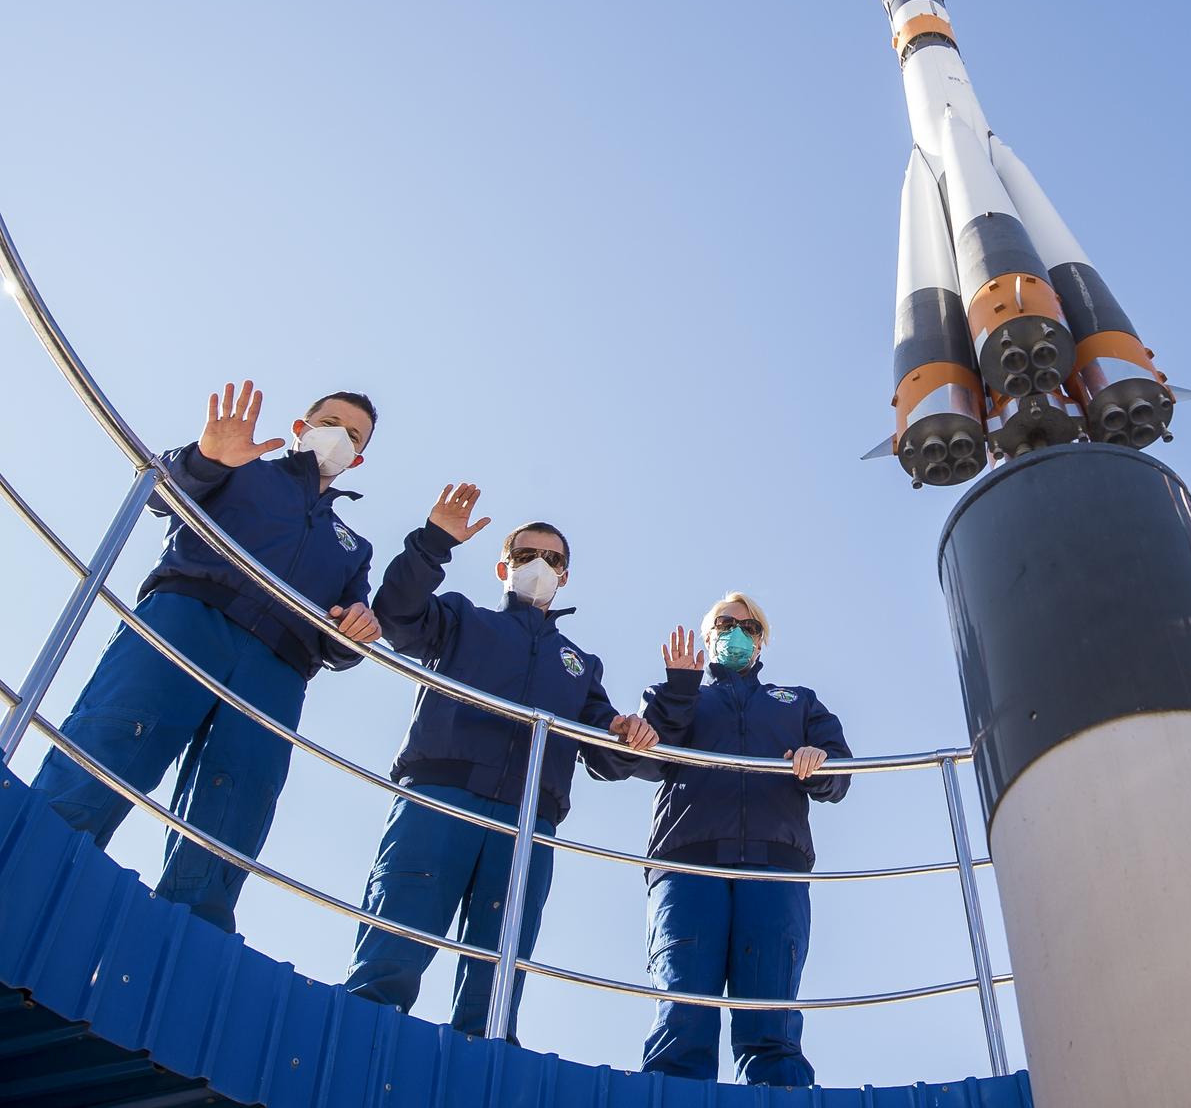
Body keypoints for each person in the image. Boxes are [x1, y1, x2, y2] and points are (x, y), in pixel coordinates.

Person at [32, 381, 381, 932]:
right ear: (301, 427)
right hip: (188, 619)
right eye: (330, 423)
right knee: (116, 737)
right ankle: (32, 860)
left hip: (279, 667)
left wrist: (358, 630)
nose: (340, 437)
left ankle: (192, 932)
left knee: (237, 795)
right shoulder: (239, 464)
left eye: (353, 436)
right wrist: (207, 458)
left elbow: (343, 636)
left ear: (357, 460)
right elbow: (159, 493)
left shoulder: (353, 547)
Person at [346, 482, 658, 1038]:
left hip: (529, 818)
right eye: (526, 554)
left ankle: (485, 1058)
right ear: (503, 567)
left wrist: (624, 731)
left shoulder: (580, 664)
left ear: (565, 576)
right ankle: (359, 1040)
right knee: (396, 938)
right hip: (441, 797)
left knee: (498, 969)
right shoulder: (462, 617)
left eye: (552, 559)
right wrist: (433, 542)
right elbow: (397, 617)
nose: (539, 565)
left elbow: (604, 753)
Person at [634, 593, 852, 1086]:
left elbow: (840, 775)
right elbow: (645, 758)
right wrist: (679, 691)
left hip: (774, 867)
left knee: (770, 1020)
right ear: (707, 634)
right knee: (683, 1014)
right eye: (725, 623)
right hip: (688, 866)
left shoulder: (799, 701)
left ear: (761, 642)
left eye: (750, 627)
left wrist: (818, 763)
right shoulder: (678, 695)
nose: (737, 633)